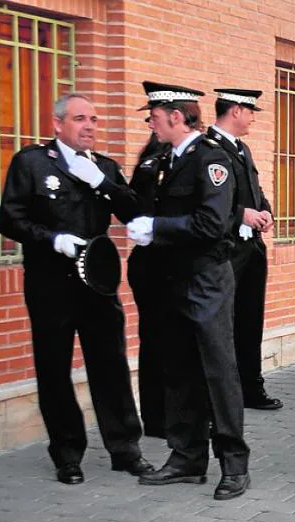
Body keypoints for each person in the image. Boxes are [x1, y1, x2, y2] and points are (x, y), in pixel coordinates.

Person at [0, 93, 154, 484]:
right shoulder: (31, 163)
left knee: (111, 365)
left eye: (94, 120)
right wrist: (52, 239)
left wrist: (103, 183)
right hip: (51, 281)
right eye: (81, 119)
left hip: (97, 282)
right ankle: (67, 454)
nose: (89, 127)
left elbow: (135, 212)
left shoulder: (103, 166)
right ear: (58, 124)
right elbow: (9, 220)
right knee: (54, 368)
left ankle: (125, 449)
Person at [128, 82, 250, 501]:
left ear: (176, 117)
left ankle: (233, 464)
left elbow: (212, 224)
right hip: (172, 280)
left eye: (155, 117)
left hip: (206, 280)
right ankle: (186, 456)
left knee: (217, 370)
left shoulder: (211, 161)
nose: (151, 124)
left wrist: (157, 228)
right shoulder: (164, 161)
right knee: (177, 369)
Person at [208, 88, 281, 411]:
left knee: (251, 321)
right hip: (226, 250)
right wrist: (241, 214)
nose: (253, 117)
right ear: (235, 111)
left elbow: (255, 189)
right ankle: (222, 394)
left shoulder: (242, 149)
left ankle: (251, 387)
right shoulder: (209, 150)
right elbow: (208, 201)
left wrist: (265, 211)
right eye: (250, 111)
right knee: (224, 322)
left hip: (251, 247)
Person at [127, 130, 171, 438]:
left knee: (158, 342)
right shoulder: (156, 161)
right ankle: (160, 417)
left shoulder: (152, 160)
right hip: (158, 263)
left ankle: (160, 417)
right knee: (162, 342)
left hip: (153, 262)